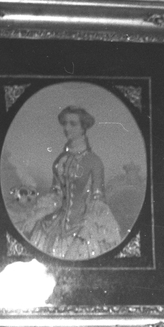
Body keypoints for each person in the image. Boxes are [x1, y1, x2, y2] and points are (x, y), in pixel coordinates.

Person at [25, 106, 123, 259]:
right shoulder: (61, 160)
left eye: (73, 124)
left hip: (83, 229)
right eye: (65, 123)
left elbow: (97, 203)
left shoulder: (94, 161)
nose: (66, 128)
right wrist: (37, 215)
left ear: (83, 128)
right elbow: (56, 194)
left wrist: (78, 242)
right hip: (55, 225)